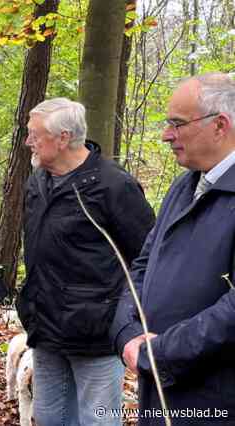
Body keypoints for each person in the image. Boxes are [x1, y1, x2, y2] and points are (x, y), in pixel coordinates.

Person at [15, 98, 155, 425]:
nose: (27, 142)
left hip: (96, 335)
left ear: (63, 138)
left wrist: (126, 319)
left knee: (97, 420)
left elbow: (147, 258)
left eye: (34, 134)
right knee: (50, 418)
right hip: (46, 329)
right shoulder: (37, 180)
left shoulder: (113, 185)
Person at [111, 73, 235, 425]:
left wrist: (159, 352)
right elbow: (143, 266)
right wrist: (127, 332)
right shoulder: (184, 187)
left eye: (177, 124)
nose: (167, 135)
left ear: (219, 125)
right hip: (160, 395)